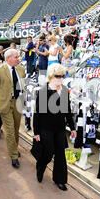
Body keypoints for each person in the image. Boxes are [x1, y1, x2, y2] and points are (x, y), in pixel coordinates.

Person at [33, 63, 77, 191]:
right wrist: (36, 132)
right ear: (51, 76)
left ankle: (60, 180)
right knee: (48, 153)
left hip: (60, 128)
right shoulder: (43, 92)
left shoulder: (64, 90)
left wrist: (72, 128)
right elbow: (37, 114)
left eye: (63, 76)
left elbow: (67, 111)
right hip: (45, 128)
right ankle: (40, 167)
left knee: (60, 155)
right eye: (58, 76)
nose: (61, 78)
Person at [0, 49, 25, 169]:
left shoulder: (21, 69)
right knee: (9, 130)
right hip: (5, 104)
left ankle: (14, 148)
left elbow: (22, 85)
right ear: (8, 58)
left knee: (16, 128)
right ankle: (14, 155)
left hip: (18, 102)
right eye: (16, 57)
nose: (18, 59)